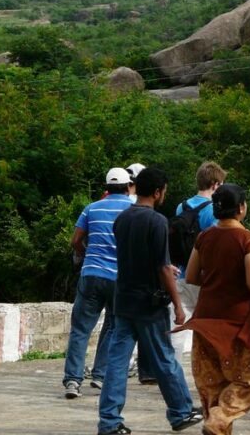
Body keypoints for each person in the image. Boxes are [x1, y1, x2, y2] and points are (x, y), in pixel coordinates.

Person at [97, 167, 203, 435]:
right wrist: (178, 305)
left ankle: (109, 422)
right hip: (149, 303)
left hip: (123, 300)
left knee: (117, 364)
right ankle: (180, 411)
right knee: (165, 358)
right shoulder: (156, 222)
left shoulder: (123, 219)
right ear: (157, 192)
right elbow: (162, 267)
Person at [175, 184, 250, 435]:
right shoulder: (247, 239)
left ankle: (215, 422)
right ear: (241, 208)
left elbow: (192, 276)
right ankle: (219, 419)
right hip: (236, 323)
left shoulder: (204, 237)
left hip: (206, 320)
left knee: (212, 386)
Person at [63, 167, 133, 399]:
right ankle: (100, 376)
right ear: (127, 187)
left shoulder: (91, 208)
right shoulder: (132, 211)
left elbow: (75, 240)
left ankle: (73, 380)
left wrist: (86, 254)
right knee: (113, 327)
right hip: (118, 277)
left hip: (91, 274)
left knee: (81, 329)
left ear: (107, 187)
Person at [171, 161, 226, 357]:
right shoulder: (213, 210)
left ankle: (171, 375)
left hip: (181, 273)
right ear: (215, 184)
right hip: (204, 277)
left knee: (177, 329)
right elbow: (214, 243)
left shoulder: (181, 207)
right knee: (208, 329)